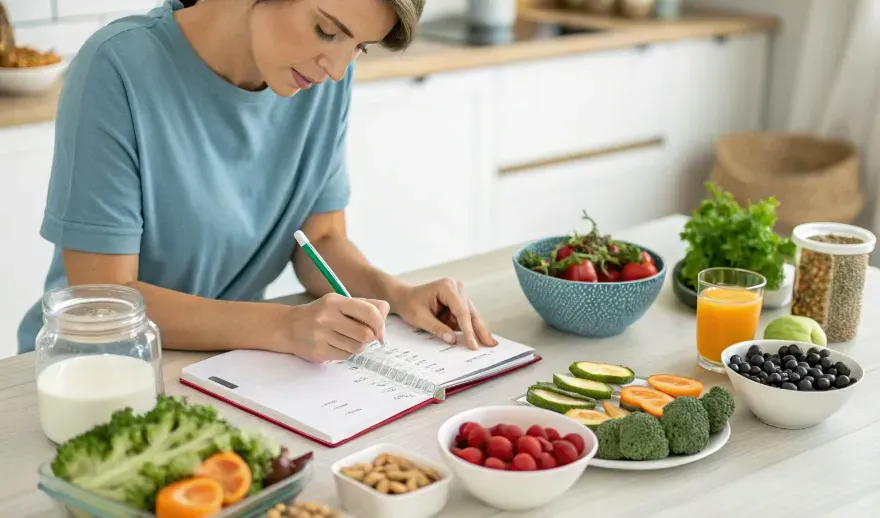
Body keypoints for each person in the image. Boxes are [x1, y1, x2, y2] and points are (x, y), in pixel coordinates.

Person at [17, 0, 498, 360]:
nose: (337, 68)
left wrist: (397, 295)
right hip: (96, 373)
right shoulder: (117, 67)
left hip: (231, 365)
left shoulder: (318, 81)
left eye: (359, 47)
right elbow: (105, 302)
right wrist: (285, 327)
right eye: (326, 30)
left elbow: (320, 241)